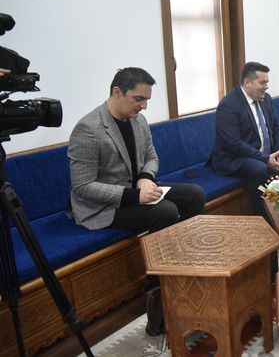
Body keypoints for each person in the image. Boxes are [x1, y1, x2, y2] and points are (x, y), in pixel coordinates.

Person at [67, 67, 205, 335]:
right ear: (117, 92)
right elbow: (82, 187)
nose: (143, 106)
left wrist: (145, 178)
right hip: (103, 206)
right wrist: (134, 195)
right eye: (138, 99)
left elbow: (151, 157)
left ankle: (183, 266)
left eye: (147, 100)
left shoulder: (138, 120)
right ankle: (157, 290)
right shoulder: (88, 128)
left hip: (135, 190)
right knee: (166, 211)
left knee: (194, 194)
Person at [209, 62, 279, 220]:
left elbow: (277, 128)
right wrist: (265, 158)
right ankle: (264, 218)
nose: (266, 87)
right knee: (259, 169)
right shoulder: (229, 105)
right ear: (247, 82)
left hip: (264, 151)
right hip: (234, 156)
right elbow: (233, 144)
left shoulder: (265, 99)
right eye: (262, 83)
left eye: (267, 82)